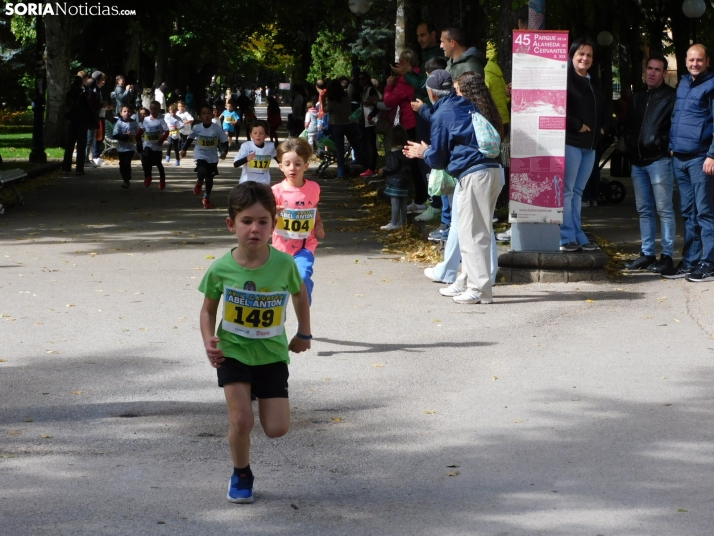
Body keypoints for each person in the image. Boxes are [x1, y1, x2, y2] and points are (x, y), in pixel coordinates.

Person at [198, 181, 312, 504]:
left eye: (263, 222)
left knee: (276, 428)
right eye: (246, 221)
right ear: (231, 224)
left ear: (274, 225)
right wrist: (210, 342)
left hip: (271, 353)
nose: (255, 229)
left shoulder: (284, 265)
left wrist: (304, 332)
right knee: (241, 420)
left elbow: (300, 294)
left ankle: (261, 397)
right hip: (232, 352)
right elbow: (207, 312)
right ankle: (241, 472)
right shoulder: (221, 268)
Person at [404, 69, 501, 304]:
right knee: (477, 231)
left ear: (430, 93)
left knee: (472, 235)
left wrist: (423, 152)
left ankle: (479, 291)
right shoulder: (463, 103)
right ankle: (465, 281)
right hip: (493, 171)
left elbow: (437, 158)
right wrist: (424, 111)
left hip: (474, 175)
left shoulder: (442, 114)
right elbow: (441, 114)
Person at [622, 53, 677, 274]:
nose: (652, 72)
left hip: (658, 160)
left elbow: (675, 126)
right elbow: (629, 124)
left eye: (657, 69)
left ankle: (667, 256)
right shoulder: (638, 96)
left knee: (664, 209)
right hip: (638, 162)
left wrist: (661, 143)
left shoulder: (671, 97)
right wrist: (628, 140)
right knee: (644, 209)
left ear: (664, 73)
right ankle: (646, 254)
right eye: (649, 68)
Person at [666, 44, 714, 281]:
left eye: (700, 60)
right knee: (688, 212)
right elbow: (677, 116)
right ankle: (690, 261)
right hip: (680, 157)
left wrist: (712, 155)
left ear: (707, 61)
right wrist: (672, 146)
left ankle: (709, 262)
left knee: (705, 212)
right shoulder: (683, 83)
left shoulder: (712, 84)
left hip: (701, 158)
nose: (695, 64)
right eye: (691, 60)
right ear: (685, 60)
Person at [560, 37, 607, 252]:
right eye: (581, 54)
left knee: (578, 192)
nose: (585, 58)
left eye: (589, 55)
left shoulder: (595, 81)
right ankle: (566, 237)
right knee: (568, 192)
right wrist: (577, 125)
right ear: (572, 55)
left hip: (590, 146)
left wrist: (604, 129)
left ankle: (578, 234)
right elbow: (560, 107)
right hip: (572, 142)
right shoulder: (565, 78)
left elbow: (605, 108)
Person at [271, 138, 325, 305]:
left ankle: (304, 317)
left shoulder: (313, 188)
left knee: (301, 276)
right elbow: (266, 219)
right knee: (279, 288)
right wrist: (274, 215)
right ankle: (277, 322)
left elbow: (314, 207)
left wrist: (319, 224)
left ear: (306, 166)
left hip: (305, 246)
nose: (292, 168)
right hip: (281, 249)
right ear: (281, 166)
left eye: (297, 164)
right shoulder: (276, 191)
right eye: (287, 164)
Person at [181, 103, 229, 209]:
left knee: (209, 179)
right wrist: (184, 149)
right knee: (202, 171)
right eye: (203, 114)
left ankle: (206, 197)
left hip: (212, 157)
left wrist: (225, 152)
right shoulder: (197, 127)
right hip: (200, 154)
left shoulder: (217, 129)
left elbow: (224, 141)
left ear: (213, 115)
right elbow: (190, 139)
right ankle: (199, 182)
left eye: (208, 113)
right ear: (200, 116)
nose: (206, 116)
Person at [325, 79, 367, 178]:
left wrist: (323, 99)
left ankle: (341, 173)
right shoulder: (346, 96)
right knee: (356, 146)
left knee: (340, 150)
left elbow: (325, 110)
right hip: (349, 123)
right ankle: (366, 167)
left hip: (337, 125)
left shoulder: (331, 100)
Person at [378, 125, 411, 230]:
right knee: (403, 202)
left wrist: (383, 169)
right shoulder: (405, 152)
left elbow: (392, 166)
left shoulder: (393, 153)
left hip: (394, 180)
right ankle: (402, 222)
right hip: (404, 180)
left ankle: (393, 222)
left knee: (395, 201)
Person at [61, 75, 92, 176]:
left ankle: (66, 168)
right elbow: (88, 108)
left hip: (72, 120)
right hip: (81, 121)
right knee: (81, 145)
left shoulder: (69, 94)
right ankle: (79, 168)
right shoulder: (83, 94)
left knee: (69, 145)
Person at [233, 120, 277, 185]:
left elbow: (279, 160)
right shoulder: (246, 146)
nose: (258, 135)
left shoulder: (270, 146)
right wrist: (247, 159)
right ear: (251, 134)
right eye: (255, 133)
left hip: (263, 184)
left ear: (266, 135)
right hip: (247, 183)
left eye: (261, 133)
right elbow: (235, 164)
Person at [139, 100, 169, 189]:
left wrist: (161, 140)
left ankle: (162, 179)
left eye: (155, 109)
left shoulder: (161, 120)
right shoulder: (146, 119)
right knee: (145, 162)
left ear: (159, 110)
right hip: (147, 145)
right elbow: (142, 129)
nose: (153, 111)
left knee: (158, 164)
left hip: (157, 147)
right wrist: (137, 138)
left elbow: (167, 131)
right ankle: (148, 177)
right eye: (151, 109)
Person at [358, 72, 381, 177]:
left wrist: (371, 115)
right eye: (360, 79)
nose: (361, 81)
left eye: (363, 79)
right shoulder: (364, 90)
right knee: (368, 144)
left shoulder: (371, 90)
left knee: (371, 145)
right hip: (367, 121)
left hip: (372, 121)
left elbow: (377, 103)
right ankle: (369, 166)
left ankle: (371, 168)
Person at [113, 105, 140, 189]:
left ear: (131, 113)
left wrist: (139, 144)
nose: (127, 113)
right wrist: (125, 136)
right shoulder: (119, 123)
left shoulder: (134, 123)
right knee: (122, 164)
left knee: (126, 163)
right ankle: (125, 178)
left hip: (131, 148)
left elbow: (139, 134)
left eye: (128, 111)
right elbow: (115, 135)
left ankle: (127, 180)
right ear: (121, 113)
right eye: (124, 111)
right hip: (121, 148)